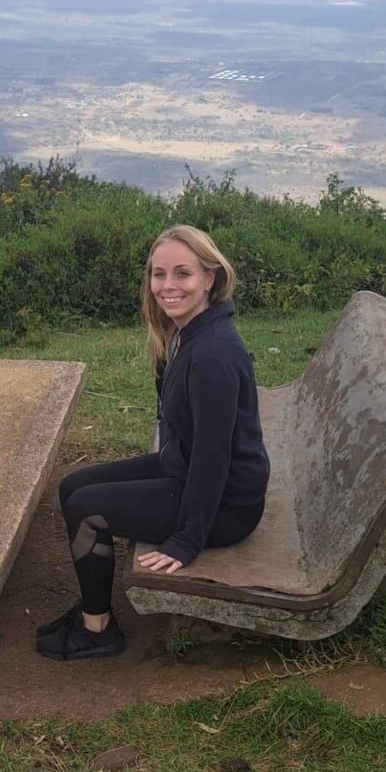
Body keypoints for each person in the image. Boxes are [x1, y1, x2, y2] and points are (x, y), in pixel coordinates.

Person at [36, 224, 270, 660]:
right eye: (159, 275)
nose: (168, 286)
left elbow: (213, 458)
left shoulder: (213, 356)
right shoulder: (187, 333)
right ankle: (93, 605)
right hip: (182, 467)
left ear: (210, 279)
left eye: (183, 274)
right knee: (72, 487)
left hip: (226, 506)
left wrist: (187, 539)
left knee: (89, 510)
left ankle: (97, 629)